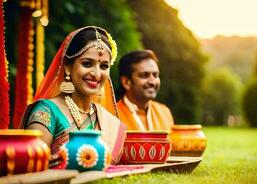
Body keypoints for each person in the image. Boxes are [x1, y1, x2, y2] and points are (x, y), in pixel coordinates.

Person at [19, 26, 126, 166]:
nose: (96, 74)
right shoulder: (46, 111)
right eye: (87, 64)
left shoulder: (107, 120)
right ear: (67, 66)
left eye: (104, 66)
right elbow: (32, 167)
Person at [117, 49, 174, 130]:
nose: (152, 82)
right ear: (126, 82)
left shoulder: (164, 112)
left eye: (155, 75)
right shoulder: (112, 115)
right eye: (144, 75)